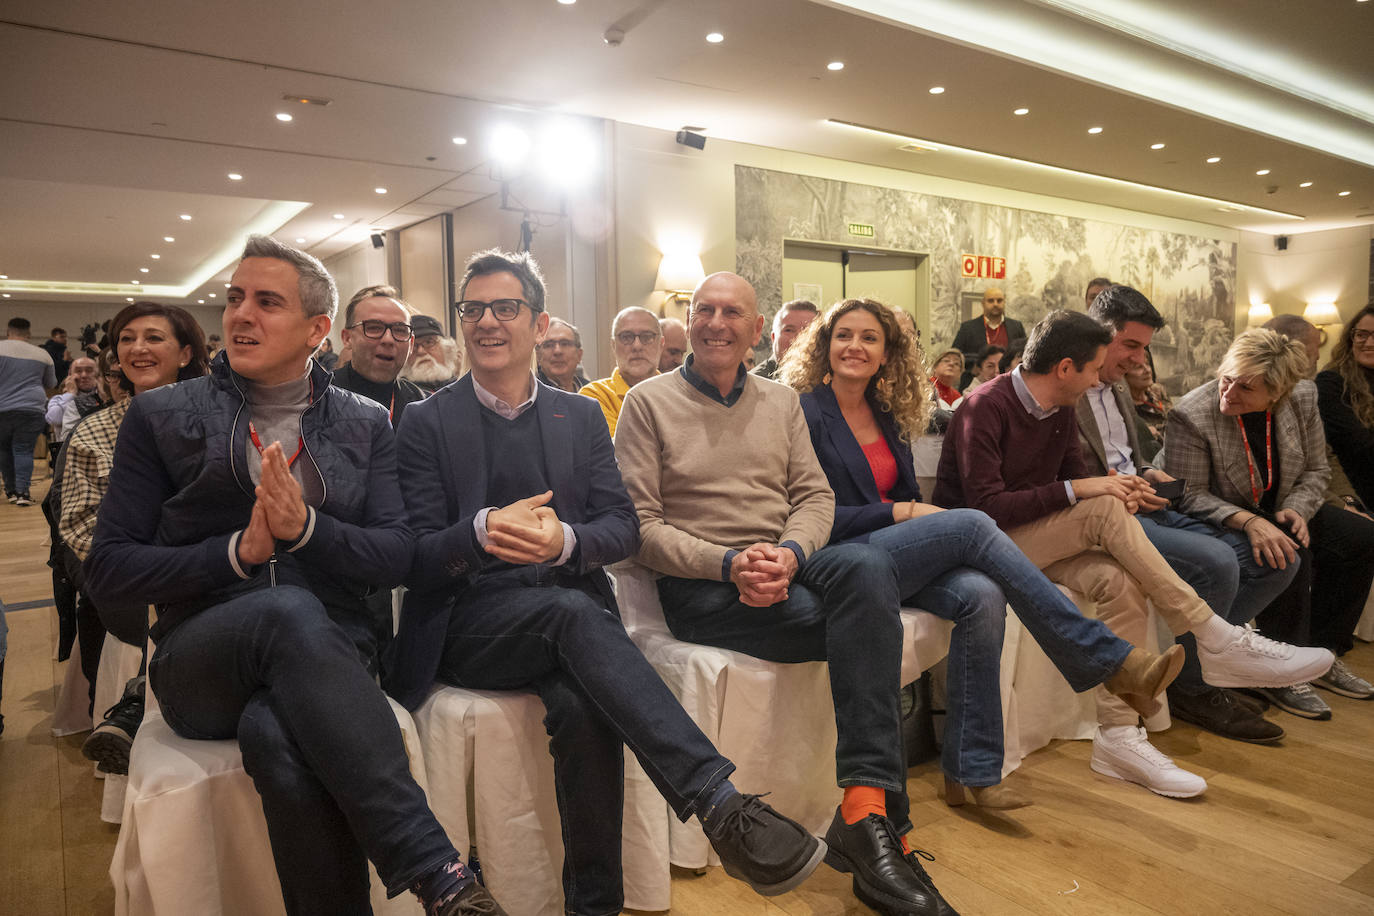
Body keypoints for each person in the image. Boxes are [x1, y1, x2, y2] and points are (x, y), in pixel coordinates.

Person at [391, 249, 825, 915]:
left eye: (505, 307)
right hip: (470, 621)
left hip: (567, 623)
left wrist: (563, 539)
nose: (486, 322)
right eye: (473, 309)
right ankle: (718, 802)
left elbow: (623, 529)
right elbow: (414, 555)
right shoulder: (424, 422)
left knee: (585, 705)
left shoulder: (580, 416)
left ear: (537, 326)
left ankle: (595, 906)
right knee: (570, 615)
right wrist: (482, 530)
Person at [84, 236, 503, 916]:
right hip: (202, 660)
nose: (241, 316)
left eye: (267, 302)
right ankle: (438, 871)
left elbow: (399, 553)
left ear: (315, 330)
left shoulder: (366, 424)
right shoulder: (162, 416)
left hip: (335, 653)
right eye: (234, 300)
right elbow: (109, 568)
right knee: (284, 613)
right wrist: (237, 554)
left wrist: (308, 531)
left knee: (279, 736)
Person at [616, 272, 959, 916]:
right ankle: (883, 824)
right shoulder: (648, 403)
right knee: (867, 622)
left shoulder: (780, 402)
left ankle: (862, 806)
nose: (716, 323)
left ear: (754, 329)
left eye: (732, 313)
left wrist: (793, 552)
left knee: (864, 569)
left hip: (788, 565)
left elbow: (815, 496)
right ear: (689, 322)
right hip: (704, 587)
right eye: (704, 310)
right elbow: (638, 529)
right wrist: (729, 563)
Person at [778, 298, 1182, 810]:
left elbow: (905, 497)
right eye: (844, 335)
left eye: (869, 338)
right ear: (824, 344)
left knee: (982, 593)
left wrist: (908, 513)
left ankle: (971, 772)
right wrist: (900, 513)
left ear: (887, 354)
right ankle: (1108, 658)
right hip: (838, 555)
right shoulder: (802, 410)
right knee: (971, 522)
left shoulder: (885, 413)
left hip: (893, 552)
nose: (855, 346)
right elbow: (804, 514)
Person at [934, 310, 1333, 798]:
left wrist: (1127, 490)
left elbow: (1075, 477)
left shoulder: (1059, 406)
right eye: (1094, 368)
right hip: (977, 544)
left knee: (1120, 582)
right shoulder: (985, 406)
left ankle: (1118, 737)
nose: (1101, 378)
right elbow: (986, 508)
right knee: (1100, 507)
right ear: (1065, 368)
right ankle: (1212, 635)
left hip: (1028, 538)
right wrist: (1089, 490)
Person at [1079, 287, 1296, 744]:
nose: (1141, 360)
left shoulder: (1116, 384)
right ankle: (1196, 688)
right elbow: (1072, 476)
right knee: (1217, 562)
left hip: (1145, 502)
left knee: (1279, 558)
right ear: (1100, 335)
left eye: (1145, 347)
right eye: (1132, 345)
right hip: (1107, 516)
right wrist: (1125, 486)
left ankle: (1207, 669)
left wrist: (1148, 475)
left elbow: (1126, 459)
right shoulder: (1070, 385)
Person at [1165, 328, 1374, 715]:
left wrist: (1298, 507)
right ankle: (1279, 670)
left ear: (1277, 392)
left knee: (1362, 536)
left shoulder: (1303, 397)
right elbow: (1188, 494)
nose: (1228, 394)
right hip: (1225, 513)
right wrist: (1246, 520)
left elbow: (1315, 468)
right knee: (1286, 549)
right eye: (1226, 380)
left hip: (1282, 503)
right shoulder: (1192, 414)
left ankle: (1323, 652)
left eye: (1245, 388)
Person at [59, 303, 210, 772]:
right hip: (135, 575)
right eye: (126, 339)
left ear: (185, 352)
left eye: (153, 338)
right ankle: (140, 702)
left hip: (210, 563)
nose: (137, 348)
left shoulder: (217, 419)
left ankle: (138, 701)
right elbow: (80, 525)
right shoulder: (96, 430)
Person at [333, 284, 426, 426]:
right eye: (374, 328)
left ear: (411, 343)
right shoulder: (318, 398)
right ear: (347, 338)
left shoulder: (423, 404)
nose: (388, 340)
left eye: (400, 330)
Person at [1316, 303, 1374, 510]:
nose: (1368, 342)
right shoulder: (1331, 382)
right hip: (1354, 490)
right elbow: (1359, 446)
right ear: (1351, 337)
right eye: (1361, 334)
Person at [579, 306, 662, 436]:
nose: (637, 346)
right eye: (626, 337)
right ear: (613, 345)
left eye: (646, 337)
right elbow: (622, 451)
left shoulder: (678, 393)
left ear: (661, 344)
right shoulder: (594, 396)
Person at [1, 316, 57, 506]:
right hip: (31, 409)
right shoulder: (42, 355)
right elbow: (51, 383)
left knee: (4, 450)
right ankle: (23, 493)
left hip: (2, 408)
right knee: (23, 450)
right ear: (29, 333)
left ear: (8, 332)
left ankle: (10, 491)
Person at [951, 287, 1025, 389]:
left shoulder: (1016, 326)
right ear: (983, 303)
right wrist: (973, 367)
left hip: (1010, 385)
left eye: (999, 300)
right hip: (976, 386)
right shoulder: (967, 328)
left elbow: (1025, 356)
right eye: (990, 301)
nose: (995, 304)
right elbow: (955, 356)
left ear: (1004, 302)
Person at [752, 299, 818, 380]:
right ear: (773, 338)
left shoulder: (826, 377)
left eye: (807, 330)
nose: (798, 338)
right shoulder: (756, 383)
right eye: (789, 330)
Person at [45, 356, 98, 447]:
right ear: (70, 375)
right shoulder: (58, 399)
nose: (84, 375)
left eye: (89, 371)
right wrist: (70, 394)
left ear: (97, 374)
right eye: (78, 371)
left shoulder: (104, 398)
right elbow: (54, 419)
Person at [403, 315, 463, 394]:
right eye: (413, 345)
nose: (421, 351)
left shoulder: (465, 388)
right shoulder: (398, 395)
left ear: (446, 349)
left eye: (429, 342)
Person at [534, 316, 589, 392]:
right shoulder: (530, 393)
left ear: (579, 355)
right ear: (538, 356)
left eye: (565, 344)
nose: (557, 351)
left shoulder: (592, 392)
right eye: (549, 345)